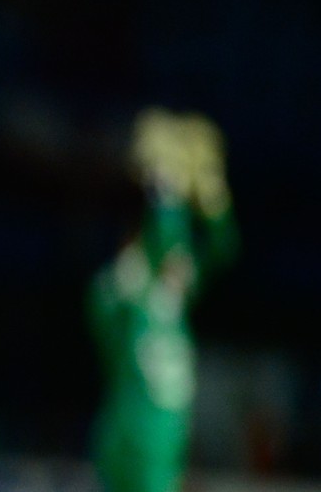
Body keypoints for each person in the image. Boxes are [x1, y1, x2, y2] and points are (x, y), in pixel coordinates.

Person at [85, 107, 239, 492]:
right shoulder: (121, 292)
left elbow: (223, 248)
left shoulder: (173, 297)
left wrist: (211, 194)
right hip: (127, 431)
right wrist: (165, 187)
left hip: (163, 433)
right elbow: (164, 243)